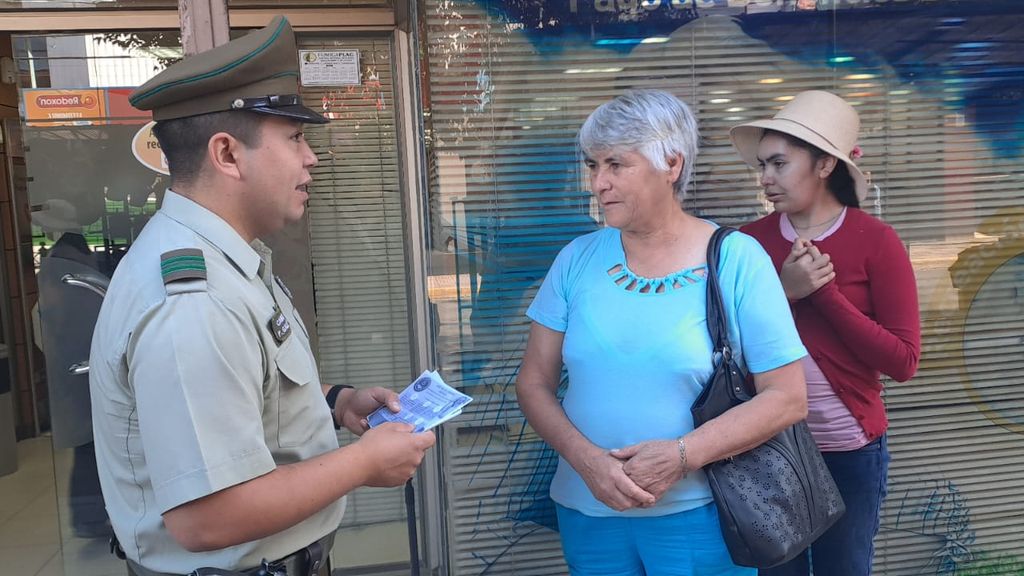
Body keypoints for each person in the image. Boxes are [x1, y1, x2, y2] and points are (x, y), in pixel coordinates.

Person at [89, 16, 436, 576]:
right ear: (227, 155)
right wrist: (363, 463)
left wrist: (337, 401)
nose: (311, 158)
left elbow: (247, 386)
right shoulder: (194, 300)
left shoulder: (224, 261)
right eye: (295, 137)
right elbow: (205, 518)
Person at [515, 89, 810, 576]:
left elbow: (786, 398)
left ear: (671, 163)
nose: (598, 183)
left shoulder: (735, 260)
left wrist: (680, 456)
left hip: (703, 513)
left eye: (616, 164)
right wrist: (587, 461)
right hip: (588, 507)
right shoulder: (577, 258)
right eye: (593, 166)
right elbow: (534, 382)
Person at [731, 90, 921, 576]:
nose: (765, 178)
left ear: (823, 165)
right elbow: (724, 349)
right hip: (767, 448)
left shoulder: (875, 240)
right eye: (762, 165)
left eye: (778, 163)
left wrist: (825, 296)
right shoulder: (746, 244)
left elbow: (902, 361)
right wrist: (787, 293)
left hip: (851, 454)